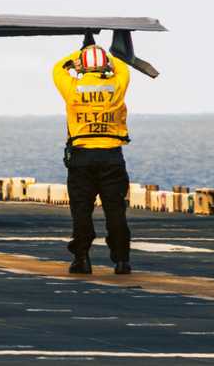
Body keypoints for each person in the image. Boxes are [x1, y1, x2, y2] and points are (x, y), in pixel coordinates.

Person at [53, 42, 134, 275]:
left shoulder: (73, 88)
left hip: (82, 158)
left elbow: (58, 68)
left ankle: (82, 258)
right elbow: (122, 66)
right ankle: (122, 261)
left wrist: (80, 53)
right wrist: (105, 56)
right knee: (115, 211)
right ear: (105, 65)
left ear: (83, 66)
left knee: (81, 211)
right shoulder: (116, 85)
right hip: (111, 157)